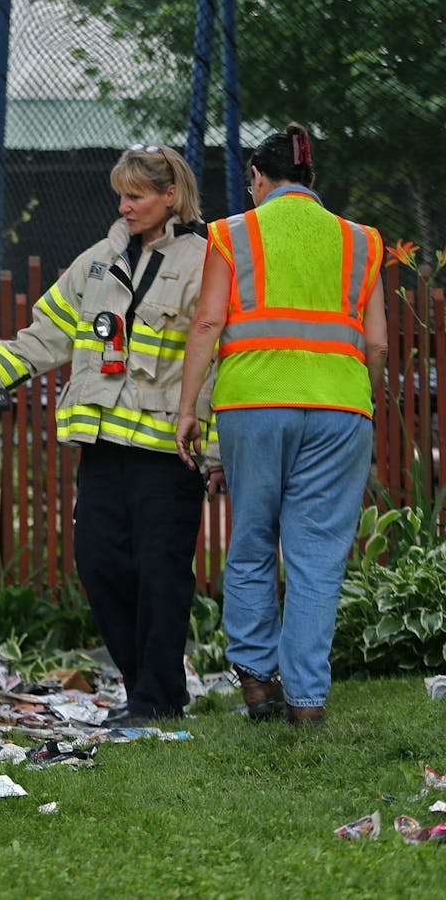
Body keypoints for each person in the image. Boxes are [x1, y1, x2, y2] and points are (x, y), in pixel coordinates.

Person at [0, 144, 224, 726]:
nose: (124, 206)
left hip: (167, 454)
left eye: (135, 195)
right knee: (99, 564)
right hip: (103, 449)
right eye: (121, 195)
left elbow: (218, 366)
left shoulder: (206, 263)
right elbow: (45, 334)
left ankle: (157, 699)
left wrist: (213, 451)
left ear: (170, 198)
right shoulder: (97, 263)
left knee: (161, 575)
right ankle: (143, 693)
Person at [174, 124, 387, 726]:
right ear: (311, 182)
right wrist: (359, 391)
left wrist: (189, 410)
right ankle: (308, 704)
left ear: (258, 180)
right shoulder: (361, 241)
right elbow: (376, 343)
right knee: (318, 557)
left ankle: (257, 685)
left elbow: (209, 326)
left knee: (252, 545)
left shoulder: (232, 234)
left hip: (254, 407)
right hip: (342, 409)